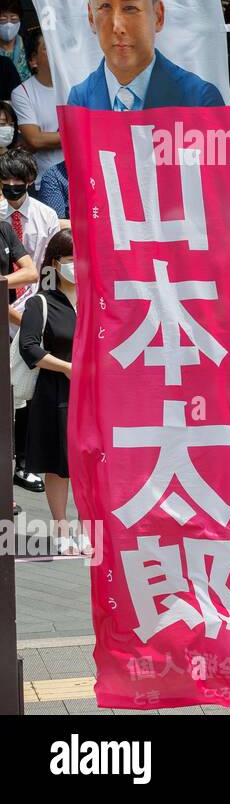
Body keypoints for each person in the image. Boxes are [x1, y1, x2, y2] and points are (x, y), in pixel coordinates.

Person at [67, 0, 223, 109]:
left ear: (158, 16)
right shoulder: (79, 100)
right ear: (91, 18)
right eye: (105, 6)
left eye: (130, 8)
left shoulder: (199, 98)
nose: (117, 27)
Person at [19, 230, 80, 553]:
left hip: (95, 396)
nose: (77, 266)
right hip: (57, 393)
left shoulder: (100, 300)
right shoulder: (41, 302)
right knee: (59, 465)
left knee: (90, 465)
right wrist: (68, 368)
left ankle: (88, 528)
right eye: (70, 260)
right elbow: (30, 347)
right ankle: (60, 528)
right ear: (54, 264)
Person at [0, 150, 48, 497]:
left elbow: (41, 266)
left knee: (29, 390)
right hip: (4, 303)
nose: (13, 191)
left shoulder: (45, 215)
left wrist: (37, 312)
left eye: (19, 185)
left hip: (30, 303)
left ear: (30, 182)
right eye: (6, 186)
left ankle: (24, 464)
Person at [10, 30, 66, 219]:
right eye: (47, 48)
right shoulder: (22, 92)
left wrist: (52, 137)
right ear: (33, 60)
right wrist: (76, 134)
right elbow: (34, 140)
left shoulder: (74, 88)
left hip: (79, 177)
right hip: (44, 181)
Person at [0, 0, 29, 80]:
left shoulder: (29, 46)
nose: (9, 24)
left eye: (14, 19)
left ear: (20, 21)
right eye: (3, 20)